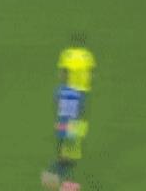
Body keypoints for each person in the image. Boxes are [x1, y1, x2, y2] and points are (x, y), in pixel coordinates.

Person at [41, 47, 96, 191]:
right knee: (68, 159)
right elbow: (75, 113)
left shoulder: (61, 90)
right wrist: (77, 129)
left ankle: (62, 182)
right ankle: (54, 178)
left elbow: (58, 106)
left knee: (67, 158)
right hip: (71, 128)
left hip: (64, 126)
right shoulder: (77, 94)